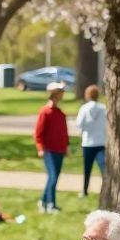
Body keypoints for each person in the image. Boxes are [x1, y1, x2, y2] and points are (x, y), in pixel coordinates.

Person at [35, 80, 69, 212]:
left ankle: (43, 201)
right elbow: (39, 132)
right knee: (53, 177)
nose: (62, 95)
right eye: (61, 92)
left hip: (59, 149)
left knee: (53, 177)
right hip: (49, 150)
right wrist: (40, 148)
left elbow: (63, 132)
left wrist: (66, 146)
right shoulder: (45, 112)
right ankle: (51, 204)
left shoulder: (59, 113)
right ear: (55, 94)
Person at [76, 83, 108, 196]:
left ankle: (84, 190)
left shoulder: (84, 108)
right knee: (103, 167)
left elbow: (79, 124)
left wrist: (85, 130)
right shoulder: (103, 108)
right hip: (100, 142)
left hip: (88, 143)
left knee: (87, 169)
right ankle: (106, 188)